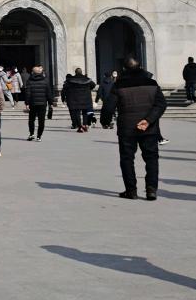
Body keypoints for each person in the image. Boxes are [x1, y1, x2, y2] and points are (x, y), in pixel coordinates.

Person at [101, 56, 167, 200]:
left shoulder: (119, 85)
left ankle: (131, 191)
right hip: (149, 128)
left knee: (127, 159)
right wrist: (148, 120)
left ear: (124, 69)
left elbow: (108, 106)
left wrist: (105, 121)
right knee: (151, 158)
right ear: (141, 67)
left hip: (127, 128)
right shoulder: (152, 83)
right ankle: (151, 190)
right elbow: (161, 104)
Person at [24, 62, 53, 141]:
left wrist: (27, 103)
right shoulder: (45, 81)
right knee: (41, 120)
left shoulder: (29, 81)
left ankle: (31, 134)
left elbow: (28, 93)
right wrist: (51, 103)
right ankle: (39, 136)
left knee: (31, 120)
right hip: (42, 103)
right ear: (41, 72)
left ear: (33, 72)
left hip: (33, 103)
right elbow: (49, 93)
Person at [61, 67, 96, 132]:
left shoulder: (71, 80)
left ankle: (80, 126)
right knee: (85, 112)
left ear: (75, 72)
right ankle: (85, 124)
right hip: (86, 98)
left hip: (75, 99)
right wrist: (88, 89)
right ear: (81, 72)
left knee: (77, 113)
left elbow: (65, 87)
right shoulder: (87, 79)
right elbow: (93, 85)